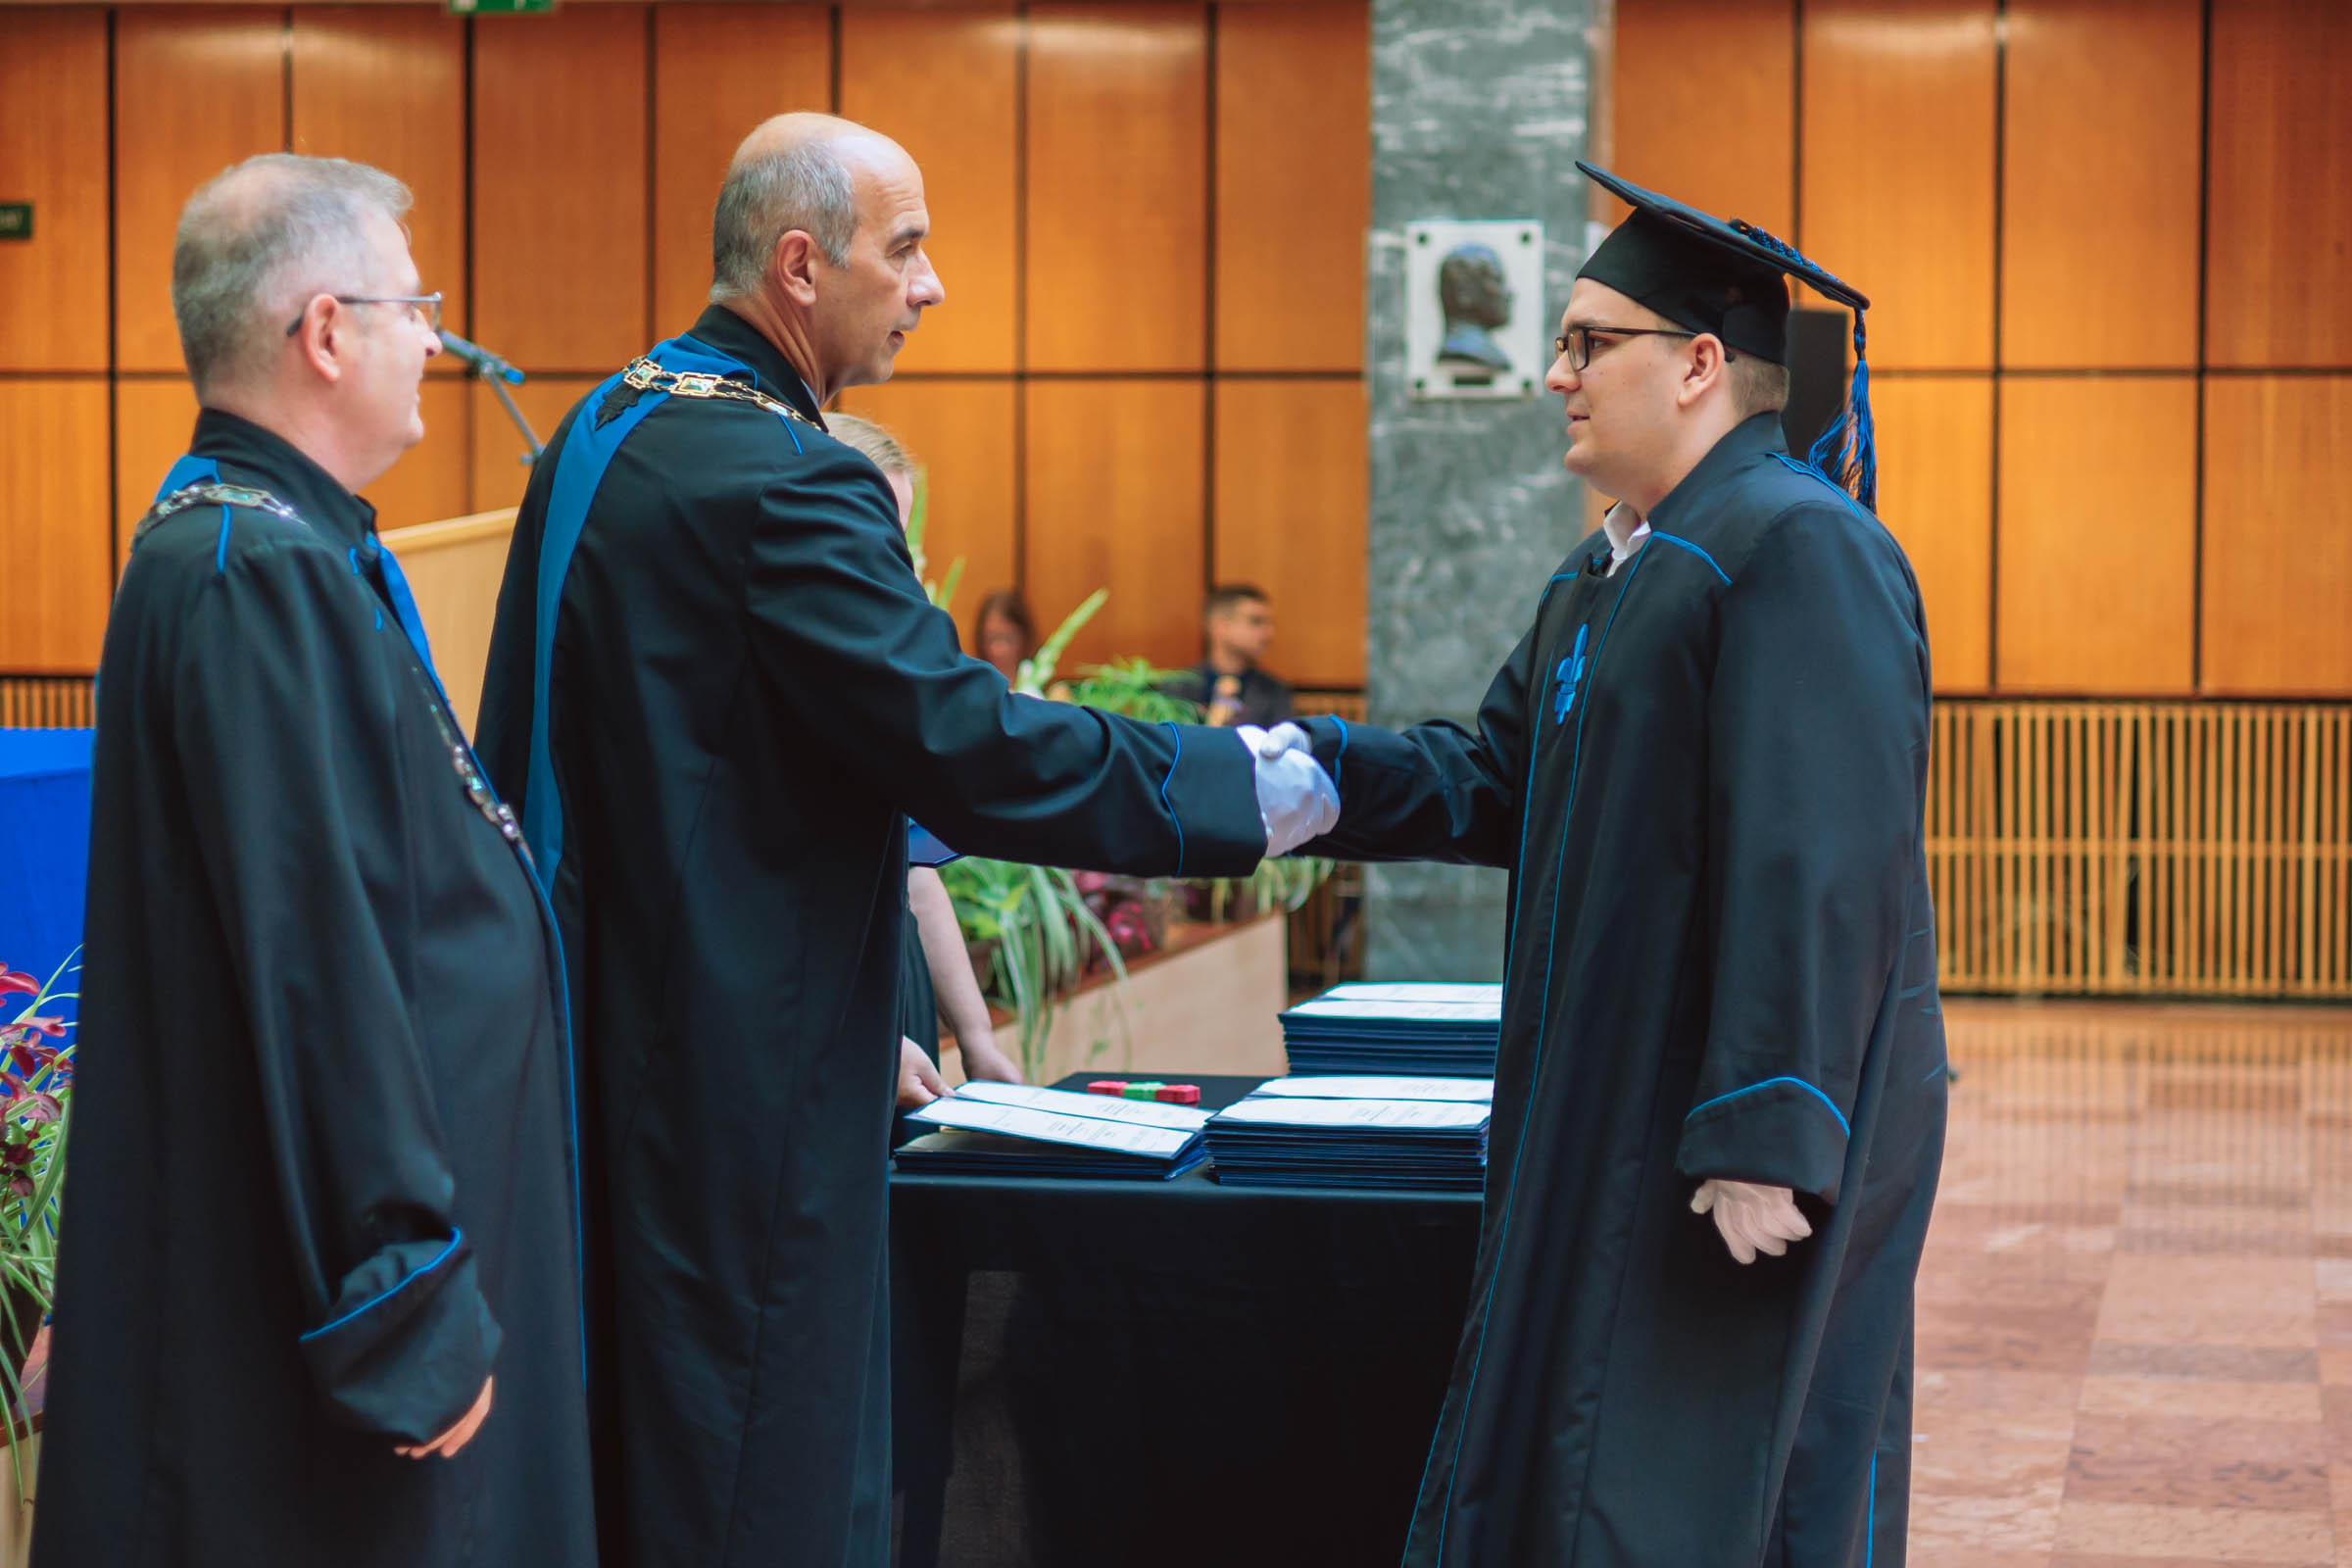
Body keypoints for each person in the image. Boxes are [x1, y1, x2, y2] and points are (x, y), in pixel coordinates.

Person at [471, 112, 1336, 1568]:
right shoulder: (790, 478)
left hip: (593, 1052)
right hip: (743, 1110)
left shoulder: (607, 424)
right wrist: (1244, 785)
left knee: (632, 1472)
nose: (932, 285)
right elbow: (967, 746)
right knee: (760, 1492)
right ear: (801, 266)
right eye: (909, 246)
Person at [1260, 163, 1945, 1565]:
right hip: (1607, 1101)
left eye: (1587, 341)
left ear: (1698, 366)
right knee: (1583, 1451)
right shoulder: (1608, 575)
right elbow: (1493, 779)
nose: (1556, 375)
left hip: (1721, 1134)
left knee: (1694, 1478)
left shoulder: (1797, 545)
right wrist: (1308, 775)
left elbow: (1821, 858)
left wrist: (1766, 1127)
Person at [36, 155, 594, 1566]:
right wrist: (404, 1295)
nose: (437, 344)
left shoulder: (266, 544)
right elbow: (318, 960)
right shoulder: (255, 574)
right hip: (324, 1334)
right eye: (418, 308)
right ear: (328, 331)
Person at [828, 413, 1024, 1089]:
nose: (899, 564)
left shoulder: (884, 679)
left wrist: (976, 1038)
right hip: (829, 1014)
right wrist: (868, 1044)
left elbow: (916, 877)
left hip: (897, 994)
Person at [1172, 582, 1294, 728]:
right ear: (1220, 626)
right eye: (1255, 621)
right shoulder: (1177, 688)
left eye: (1269, 623)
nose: (1269, 633)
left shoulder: (1274, 691)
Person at [973, 586, 1036, 681]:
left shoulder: (1041, 680)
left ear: (1024, 636)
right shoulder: (972, 684)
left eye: (1008, 639)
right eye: (992, 639)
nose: (999, 650)